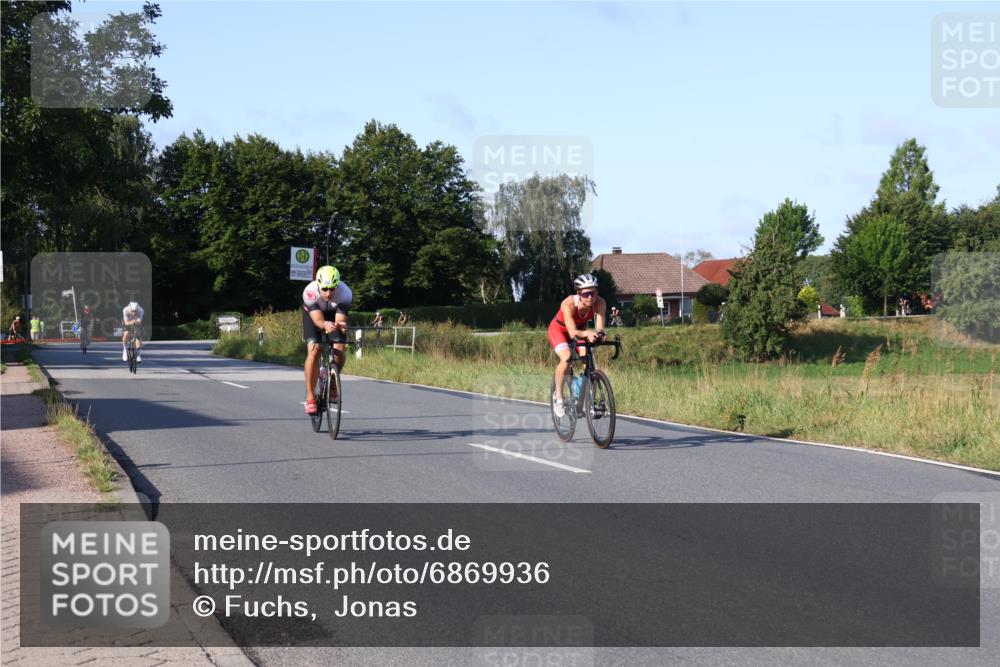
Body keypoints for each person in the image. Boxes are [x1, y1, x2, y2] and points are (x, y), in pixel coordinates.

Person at [547, 273, 607, 418]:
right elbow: (572, 332)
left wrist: (600, 335)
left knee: (588, 360)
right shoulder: (568, 304)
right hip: (559, 330)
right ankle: (558, 398)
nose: (590, 297)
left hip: (580, 329)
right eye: (586, 294)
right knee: (567, 358)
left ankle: (588, 400)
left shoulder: (600, 303)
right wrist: (587, 333)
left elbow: (599, 327)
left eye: (593, 293)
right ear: (579, 293)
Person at [302, 265, 352, 414]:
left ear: (338, 285)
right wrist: (324, 325)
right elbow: (318, 321)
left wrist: (340, 325)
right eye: (324, 289)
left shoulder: (345, 293)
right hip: (314, 316)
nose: (328, 293)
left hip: (333, 313)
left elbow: (340, 319)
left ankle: (332, 381)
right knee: (314, 350)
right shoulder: (310, 292)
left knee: (339, 349)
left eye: (332, 289)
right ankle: (310, 397)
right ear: (318, 284)